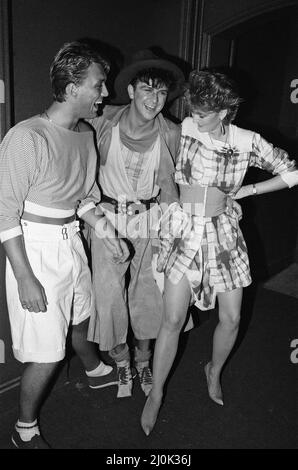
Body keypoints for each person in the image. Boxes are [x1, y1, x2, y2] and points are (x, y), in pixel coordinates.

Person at [140, 69, 298, 435]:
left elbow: (291, 172)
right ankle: (156, 393)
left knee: (231, 318)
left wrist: (248, 192)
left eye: (203, 113)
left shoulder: (246, 140)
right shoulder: (185, 129)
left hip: (223, 234)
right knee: (173, 319)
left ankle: (213, 371)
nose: (195, 118)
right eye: (192, 110)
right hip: (182, 231)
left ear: (225, 110)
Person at [0, 41, 120, 449]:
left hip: (72, 242)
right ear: (72, 89)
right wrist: (25, 278)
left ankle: (92, 367)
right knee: (47, 352)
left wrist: (106, 231)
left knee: (81, 315)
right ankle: (24, 429)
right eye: (99, 86)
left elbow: (84, 198)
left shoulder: (85, 135)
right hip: (34, 249)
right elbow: (3, 214)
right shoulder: (25, 138)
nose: (106, 94)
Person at [87, 50, 186, 398]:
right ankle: (121, 361)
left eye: (161, 93)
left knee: (148, 295)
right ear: (131, 91)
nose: (154, 99)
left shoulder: (170, 132)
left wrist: (173, 233)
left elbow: (173, 187)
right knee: (109, 297)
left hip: (150, 219)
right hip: (107, 220)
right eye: (147, 89)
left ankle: (143, 361)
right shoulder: (101, 122)